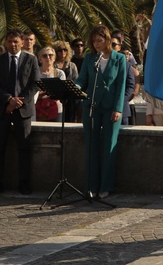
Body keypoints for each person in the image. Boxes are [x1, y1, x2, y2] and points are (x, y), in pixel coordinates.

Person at [76, 25, 131, 198]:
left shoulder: (119, 59)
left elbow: (121, 85)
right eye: (94, 41)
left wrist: (118, 108)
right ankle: (91, 186)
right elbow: (82, 79)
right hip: (91, 107)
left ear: (107, 40)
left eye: (100, 40)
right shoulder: (90, 58)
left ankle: (105, 186)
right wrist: (74, 90)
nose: (97, 44)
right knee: (91, 147)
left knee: (109, 147)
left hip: (110, 108)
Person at [0, 29, 40, 196]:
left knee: (24, 147)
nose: (13, 44)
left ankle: (24, 183)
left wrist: (19, 101)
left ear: (22, 42)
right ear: (6, 42)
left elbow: (35, 84)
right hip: (2, 109)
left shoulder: (31, 60)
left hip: (23, 110)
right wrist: (8, 99)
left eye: (16, 41)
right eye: (10, 41)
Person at [35, 45, 65, 122]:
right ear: (40, 59)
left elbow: (61, 91)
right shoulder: (35, 73)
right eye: (45, 56)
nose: (48, 57)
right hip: (38, 108)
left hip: (56, 108)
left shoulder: (59, 73)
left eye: (51, 55)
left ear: (54, 58)